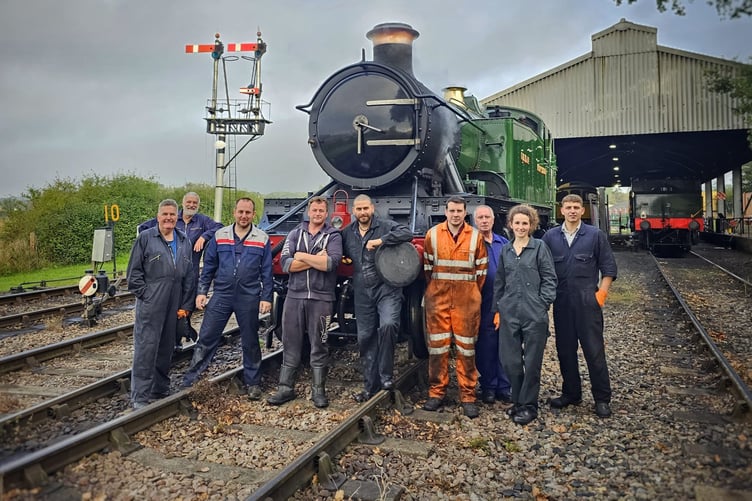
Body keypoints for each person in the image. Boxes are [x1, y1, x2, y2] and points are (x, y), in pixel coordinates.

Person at [182, 198, 273, 400]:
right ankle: (191, 380)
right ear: (234, 212)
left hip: (248, 296)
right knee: (206, 337)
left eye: (248, 213)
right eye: (240, 212)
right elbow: (209, 267)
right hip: (222, 294)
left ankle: (253, 383)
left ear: (253, 214)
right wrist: (202, 292)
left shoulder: (262, 238)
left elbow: (267, 271)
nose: (244, 216)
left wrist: (266, 297)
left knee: (250, 341)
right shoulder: (220, 235)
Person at [541, 193, 618, 418]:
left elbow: (609, 268)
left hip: (587, 302)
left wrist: (601, 294)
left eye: (576, 207)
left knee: (594, 351)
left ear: (582, 211)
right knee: (565, 350)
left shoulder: (594, 235)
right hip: (562, 301)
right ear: (561, 210)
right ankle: (571, 393)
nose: (572, 210)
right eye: (568, 207)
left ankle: (602, 398)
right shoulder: (550, 237)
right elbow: (541, 267)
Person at [267, 196, 342, 408]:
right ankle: (285, 388)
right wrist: (314, 259)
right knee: (291, 342)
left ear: (326, 214)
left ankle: (319, 391)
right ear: (309, 212)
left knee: (320, 343)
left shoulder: (333, 235)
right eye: (314, 210)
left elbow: (331, 263)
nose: (317, 214)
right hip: (294, 296)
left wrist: (302, 256)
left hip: (322, 298)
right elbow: (287, 264)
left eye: (321, 211)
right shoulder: (294, 234)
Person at [341, 194, 413, 402]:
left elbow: (406, 232)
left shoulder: (385, 226)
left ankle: (386, 376)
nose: (363, 213)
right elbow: (336, 248)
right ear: (353, 211)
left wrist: (381, 241)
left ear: (372, 208)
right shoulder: (347, 233)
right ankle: (369, 386)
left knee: (389, 325)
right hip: (362, 290)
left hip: (386, 287)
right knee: (365, 336)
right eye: (359, 209)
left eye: (366, 208)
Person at [422, 196, 487, 418]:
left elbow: (481, 272)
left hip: (466, 301)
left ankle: (468, 396)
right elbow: (428, 267)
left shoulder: (475, 237)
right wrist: (437, 290)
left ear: (465, 212)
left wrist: (470, 294)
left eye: (459, 211)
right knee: (438, 349)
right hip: (438, 298)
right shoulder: (432, 235)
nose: (455, 215)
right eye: (452, 211)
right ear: (446, 211)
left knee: (466, 349)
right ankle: (436, 393)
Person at [127, 199, 195, 409]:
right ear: (158, 216)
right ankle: (140, 395)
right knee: (146, 347)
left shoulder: (184, 240)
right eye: (165, 214)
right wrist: (146, 295)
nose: (168, 218)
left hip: (174, 301)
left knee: (166, 346)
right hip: (152, 301)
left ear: (178, 217)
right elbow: (133, 274)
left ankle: (160, 387)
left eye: (172, 215)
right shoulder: (146, 238)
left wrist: (185, 304)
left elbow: (190, 276)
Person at [492, 204, 557, 425]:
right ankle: (517, 400)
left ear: (531, 225)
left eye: (525, 223)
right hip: (509, 312)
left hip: (534, 313)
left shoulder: (539, 247)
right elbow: (499, 282)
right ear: (510, 225)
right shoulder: (506, 250)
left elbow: (550, 279)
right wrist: (498, 310)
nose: (520, 227)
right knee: (509, 361)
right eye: (517, 223)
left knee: (532, 361)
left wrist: (542, 304)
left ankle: (529, 405)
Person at [138, 192, 222, 347]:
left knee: (186, 304)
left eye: (194, 203)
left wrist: (204, 236)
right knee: (170, 305)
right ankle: (170, 339)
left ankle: (182, 334)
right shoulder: (173, 218)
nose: (191, 205)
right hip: (169, 270)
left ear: (198, 205)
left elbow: (219, 227)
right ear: (183, 203)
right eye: (189, 202)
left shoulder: (202, 221)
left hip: (191, 270)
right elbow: (144, 227)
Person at [472, 205, 512, 405]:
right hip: (483, 300)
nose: (484, 221)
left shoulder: (503, 243)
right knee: (486, 345)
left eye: (487, 217)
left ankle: (504, 387)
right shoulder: (472, 243)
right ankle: (488, 385)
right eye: (480, 217)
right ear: (475, 221)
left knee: (504, 343)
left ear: (493, 220)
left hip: (503, 300)